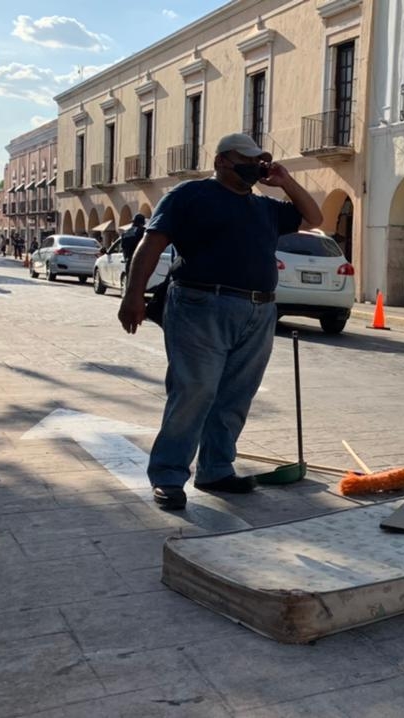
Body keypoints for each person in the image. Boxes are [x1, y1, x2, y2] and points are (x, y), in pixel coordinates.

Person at [116, 133, 322, 511]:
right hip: (200, 304)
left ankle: (215, 468)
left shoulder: (265, 207)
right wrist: (133, 296)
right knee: (194, 391)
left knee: (235, 395)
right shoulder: (189, 195)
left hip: (259, 311)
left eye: (259, 160)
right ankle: (168, 475)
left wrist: (285, 180)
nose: (254, 166)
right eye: (246, 159)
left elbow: (314, 217)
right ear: (222, 161)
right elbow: (151, 245)